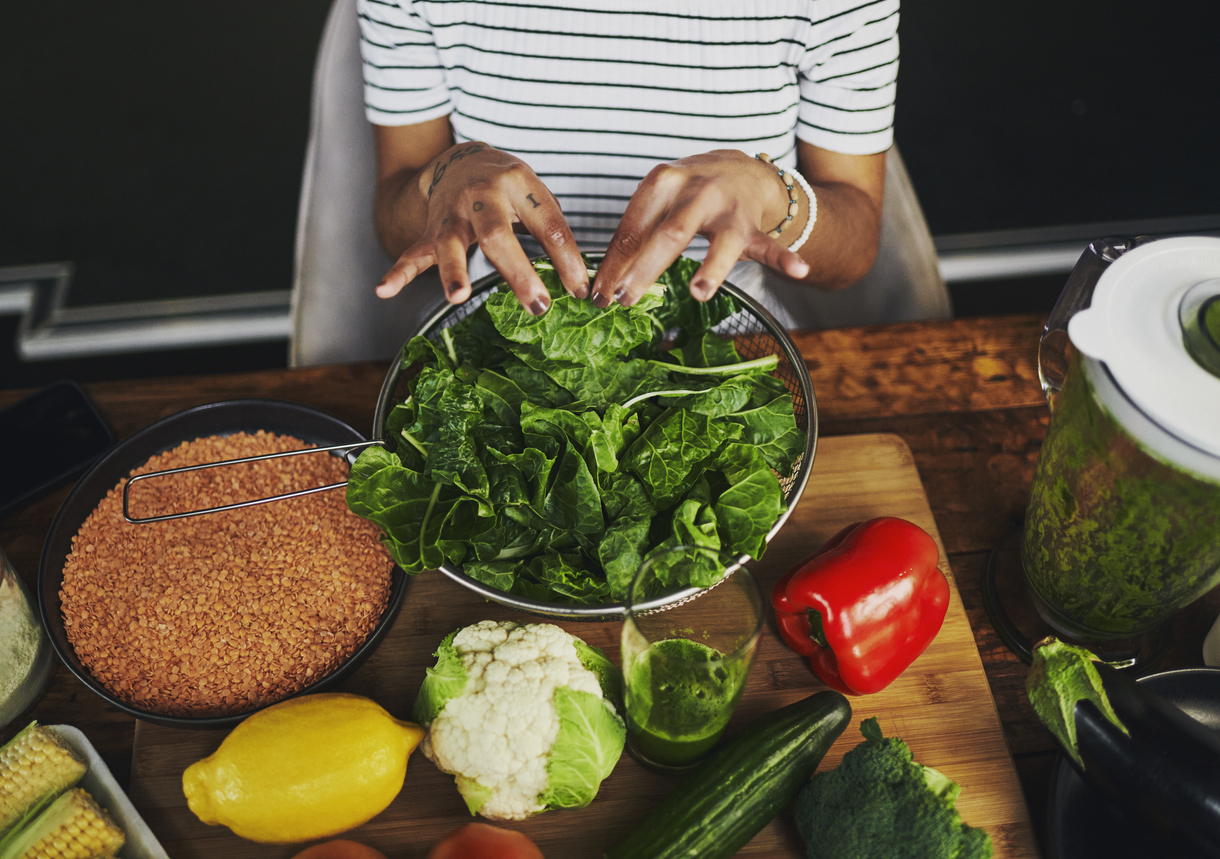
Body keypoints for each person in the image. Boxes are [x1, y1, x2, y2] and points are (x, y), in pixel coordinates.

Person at [358, 0, 897, 323]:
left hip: (718, 358)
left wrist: (772, 195)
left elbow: (855, 244)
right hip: (492, 348)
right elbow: (395, 219)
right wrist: (445, 175)